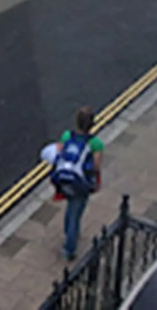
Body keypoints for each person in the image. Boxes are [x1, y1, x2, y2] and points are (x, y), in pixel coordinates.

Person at [49, 106, 103, 261]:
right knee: (75, 212)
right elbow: (96, 167)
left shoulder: (66, 135)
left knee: (70, 207)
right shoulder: (95, 143)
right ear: (92, 124)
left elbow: (58, 154)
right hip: (81, 183)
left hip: (65, 179)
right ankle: (69, 249)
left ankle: (70, 233)